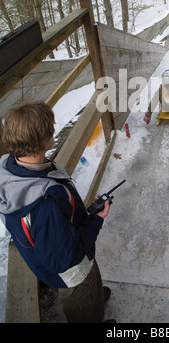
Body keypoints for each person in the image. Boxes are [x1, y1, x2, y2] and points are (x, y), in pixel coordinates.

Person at [0, 101, 114, 323]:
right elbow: (67, 258)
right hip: (73, 273)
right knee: (84, 305)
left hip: (55, 246)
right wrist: (97, 219)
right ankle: (91, 309)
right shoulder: (44, 205)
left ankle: (96, 298)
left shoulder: (10, 166)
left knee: (93, 287)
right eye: (51, 129)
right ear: (45, 141)